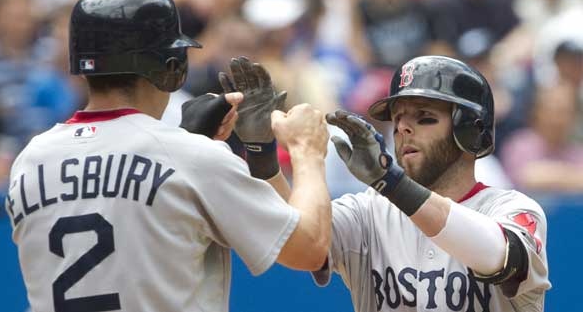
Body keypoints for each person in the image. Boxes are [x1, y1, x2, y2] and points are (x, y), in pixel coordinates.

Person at [5, 0, 331, 312]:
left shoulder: (30, 159)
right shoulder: (192, 159)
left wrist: (185, 141)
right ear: (172, 68)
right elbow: (310, 249)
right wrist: (307, 152)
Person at [221, 55, 551, 311]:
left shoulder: (512, 209)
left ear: (470, 131)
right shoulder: (368, 209)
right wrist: (260, 151)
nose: (403, 129)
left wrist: (390, 182)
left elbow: (495, 254)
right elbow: (296, 240)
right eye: (398, 118)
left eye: (424, 117)